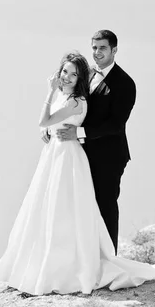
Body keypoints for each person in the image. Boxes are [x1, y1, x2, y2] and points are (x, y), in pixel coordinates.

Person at [0, 50, 155, 295]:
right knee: (51, 209)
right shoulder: (71, 93)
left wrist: (49, 94)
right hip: (56, 154)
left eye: (73, 74)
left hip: (71, 156)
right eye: (64, 72)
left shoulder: (80, 98)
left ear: (113, 49)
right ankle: (48, 259)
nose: (67, 77)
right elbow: (49, 124)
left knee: (71, 208)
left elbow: (49, 119)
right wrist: (47, 130)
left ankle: (77, 262)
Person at [54, 30, 134, 254]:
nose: (97, 53)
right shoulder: (86, 73)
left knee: (105, 205)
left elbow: (116, 124)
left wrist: (79, 133)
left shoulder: (125, 83)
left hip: (109, 156)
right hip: (81, 152)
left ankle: (109, 258)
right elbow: (70, 104)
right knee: (81, 204)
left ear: (114, 50)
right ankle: (85, 256)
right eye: (94, 48)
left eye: (102, 48)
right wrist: (52, 129)